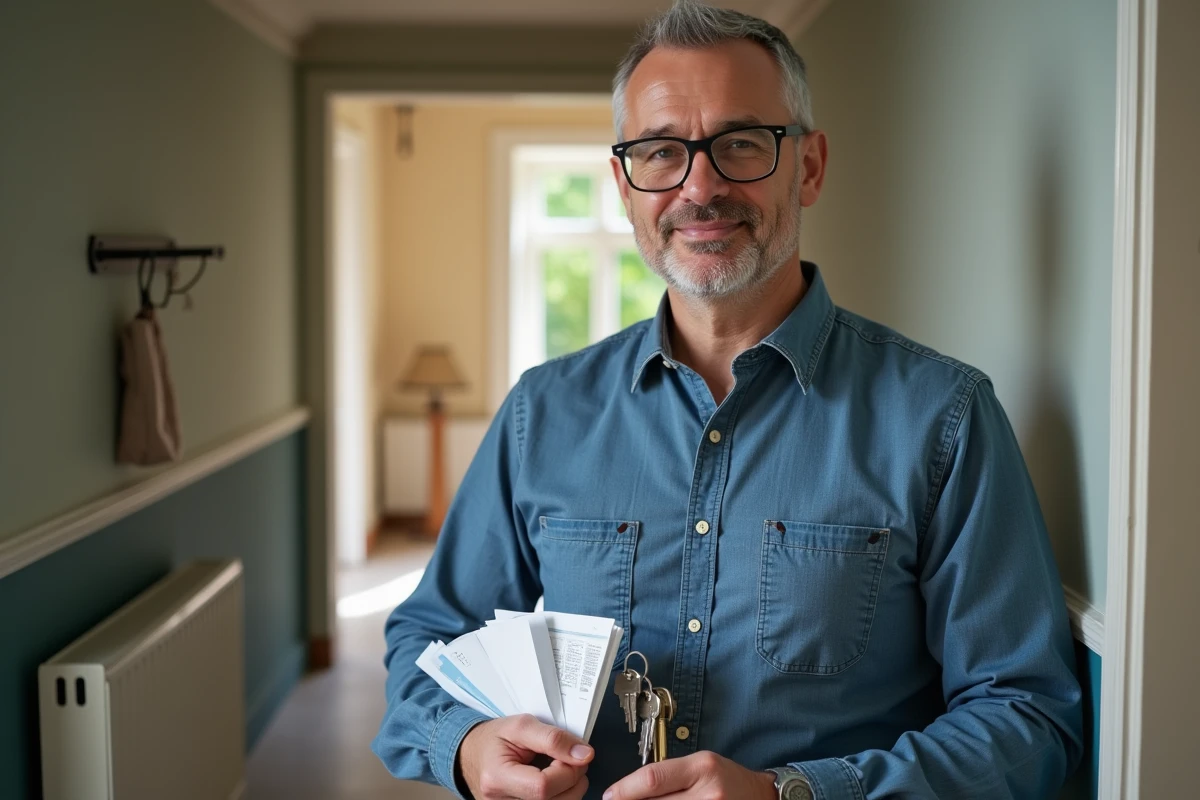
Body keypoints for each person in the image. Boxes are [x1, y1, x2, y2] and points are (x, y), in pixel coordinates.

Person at [372, 2, 1083, 798]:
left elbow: (1028, 718)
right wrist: (468, 746)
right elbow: (429, 637)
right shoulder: (544, 413)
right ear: (624, 184)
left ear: (808, 166)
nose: (699, 186)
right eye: (661, 152)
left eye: (741, 144)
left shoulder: (943, 419)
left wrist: (796, 795)